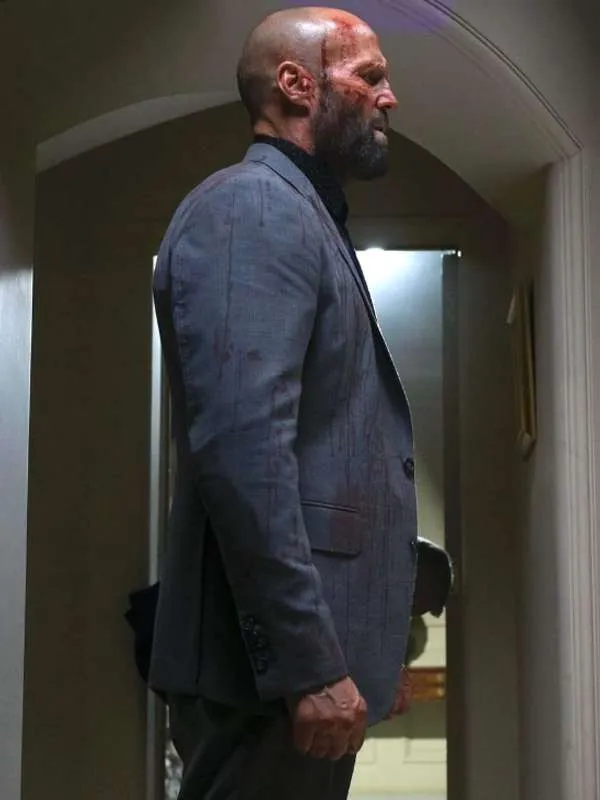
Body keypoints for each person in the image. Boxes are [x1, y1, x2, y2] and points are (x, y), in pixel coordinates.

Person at [149, 6, 419, 798]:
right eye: (370, 76)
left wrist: (367, 652)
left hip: (300, 677)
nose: (389, 97)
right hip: (266, 683)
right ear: (298, 85)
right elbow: (245, 457)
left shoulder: (300, 214)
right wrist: (310, 666)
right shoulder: (253, 209)